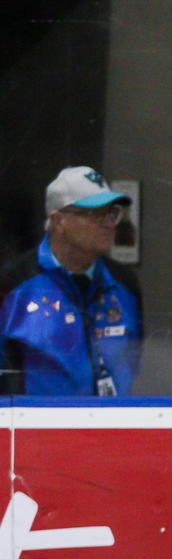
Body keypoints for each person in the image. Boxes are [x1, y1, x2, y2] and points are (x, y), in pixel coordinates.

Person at [0, 166, 140, 396]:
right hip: (34, 418)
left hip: (113, 417)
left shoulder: (124, 283)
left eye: (112, 213)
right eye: (95, 214)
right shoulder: (15, 283)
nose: (109, 223)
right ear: (58, 221)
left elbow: (133, 359)